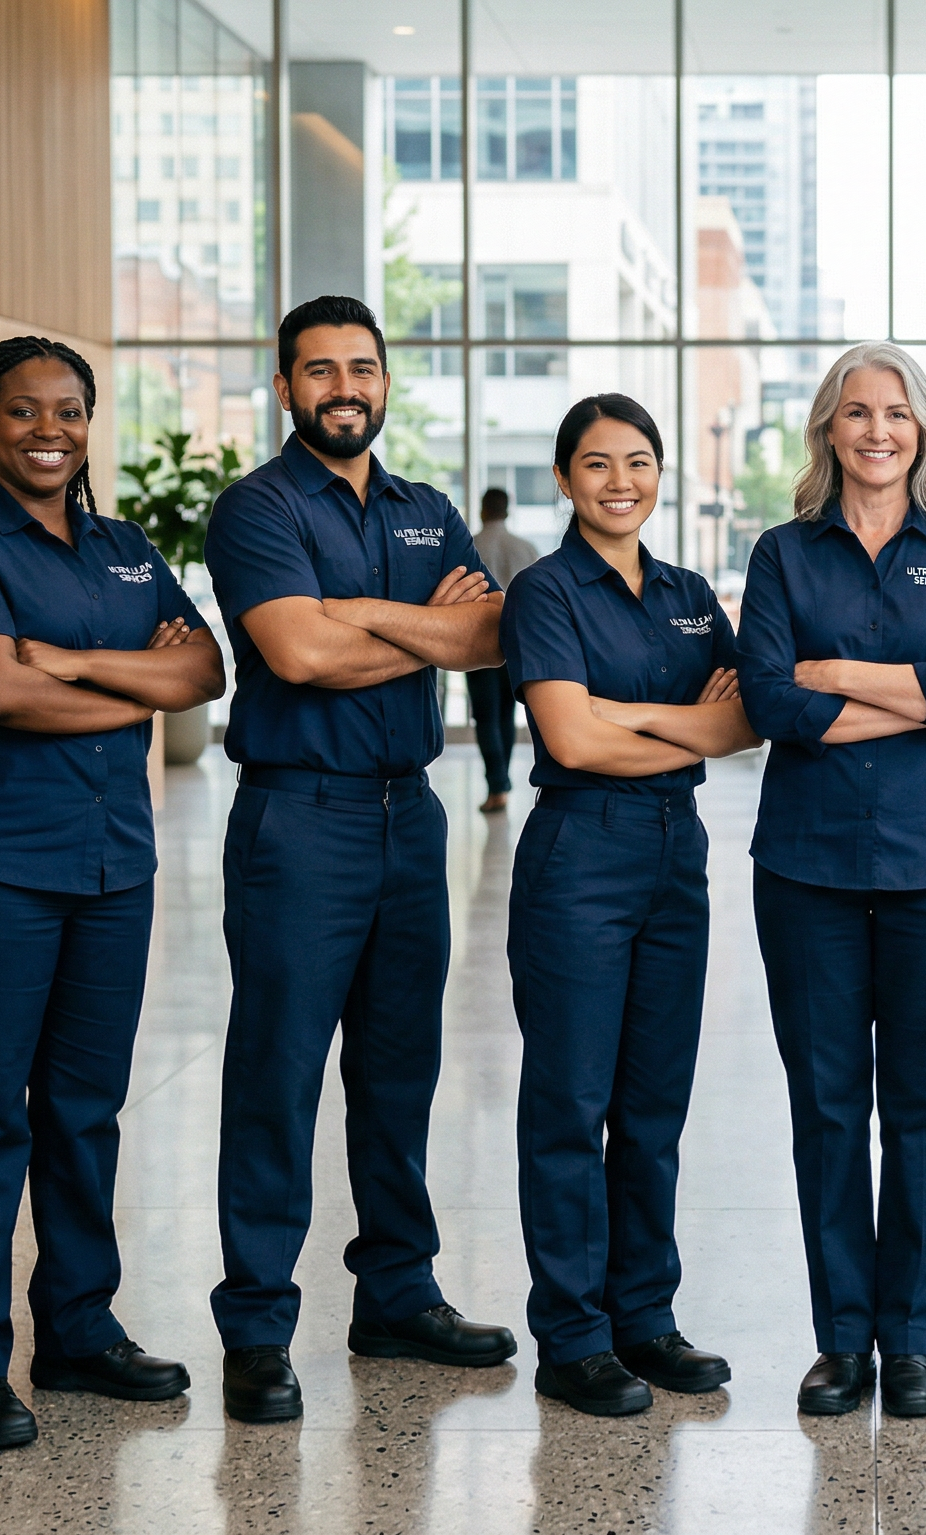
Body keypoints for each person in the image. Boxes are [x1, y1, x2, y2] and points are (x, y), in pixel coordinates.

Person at [0, 336, 226, 1450]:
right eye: (23, 411)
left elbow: (203, 671)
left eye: (70, 410)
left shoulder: (123, 548)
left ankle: (78, 1329)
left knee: (84, 1112)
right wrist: (126, 688)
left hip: (109, 866)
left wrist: (70, 666)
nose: (50, 430)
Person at [203, 295, 516, 1425]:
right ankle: (256, 1325)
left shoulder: (426, 506)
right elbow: (293, 655)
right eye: (321, 368)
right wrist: (410, 626)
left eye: (364, 367)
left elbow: (489, 635)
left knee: (397, 1073)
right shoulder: (254, 511)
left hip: (408, 817)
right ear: (286, 387)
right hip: (300, 818)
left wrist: (358, 619)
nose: (345, 385)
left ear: (387, 383)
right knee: (278, 1074)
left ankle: (394, 1292)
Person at [737, 343, 926, 1420]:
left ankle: (911, 1339)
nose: (877, 431)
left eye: (897, 413)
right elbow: (766, 701)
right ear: (827, 431)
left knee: (924, 1112)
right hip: (804, 867)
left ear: (924, 430)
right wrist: (917, 685)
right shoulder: (780, 553)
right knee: (826, 1108)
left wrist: (836, 674)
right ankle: (842, 1339)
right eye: (856, 413)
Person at [502, 394, 761, 1417]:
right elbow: (571, 743)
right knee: (570, 1101)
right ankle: (572, 1335)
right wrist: (679, 724)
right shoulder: (544, 593)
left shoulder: (692, 592)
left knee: (653, 1105)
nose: (622, 482)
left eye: (640, 462)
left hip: (673, 855)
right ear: (565, 479)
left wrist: (629, 715)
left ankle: (643, 1317)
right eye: (599, 465)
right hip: (580, 853)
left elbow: (745, 725)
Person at [469, 486, 542, 814]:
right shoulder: (526, 549)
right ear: (507, 510)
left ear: (484, 510)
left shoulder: (469, 545)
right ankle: (503, 782)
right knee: (506, 714)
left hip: (476, 643)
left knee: (485, 716)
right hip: (517, 644)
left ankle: (496, 785)